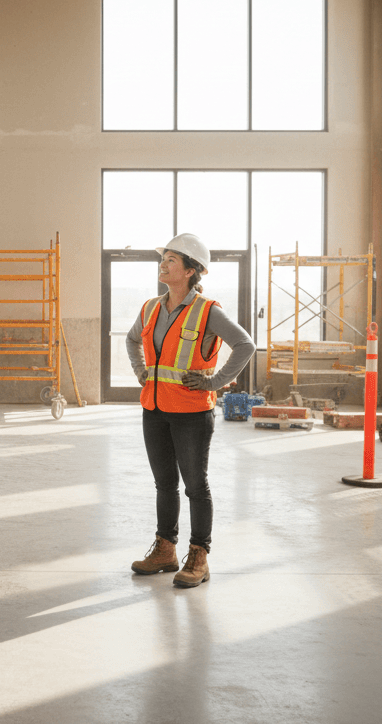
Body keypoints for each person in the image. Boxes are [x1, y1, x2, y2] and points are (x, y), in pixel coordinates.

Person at [125, 233, 255, 587]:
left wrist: (216, 382)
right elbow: (132, 339)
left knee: (195, 486)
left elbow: (245, 344)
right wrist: (140, 371)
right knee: (164, 484)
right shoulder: (151, 307)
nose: (162, 265)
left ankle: (199, 555)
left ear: (190, 271)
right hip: (154, 409)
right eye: (163, 259)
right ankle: (165, 549)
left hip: (192, 414)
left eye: (170, 260)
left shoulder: (208, 311)